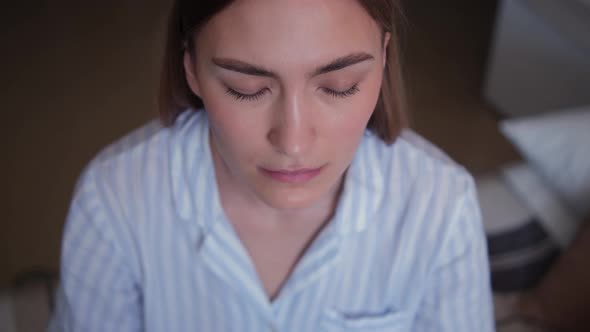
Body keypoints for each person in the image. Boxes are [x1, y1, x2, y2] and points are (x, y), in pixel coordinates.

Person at [48, 0, 494, 330]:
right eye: (246, 89)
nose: (293, 141)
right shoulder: (114, 200)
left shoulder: (441, 207)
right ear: (191, 69)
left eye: (339, 86)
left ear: (383, 59)